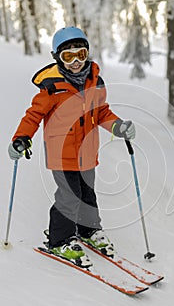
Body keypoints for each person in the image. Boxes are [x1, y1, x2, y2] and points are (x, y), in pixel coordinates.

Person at [8, 26, 135, 268]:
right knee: (69, 196)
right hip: (62, 153)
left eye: (81, 54)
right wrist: (21, 137)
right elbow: (33, 116)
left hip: (87, 151)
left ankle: (88, 230)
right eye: (68, 56)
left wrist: (118, 126)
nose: (76, 61)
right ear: (57, 57)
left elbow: (101, 112)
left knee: (87, 193)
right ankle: (59, 240)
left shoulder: (95, 82)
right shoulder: (52, 87)